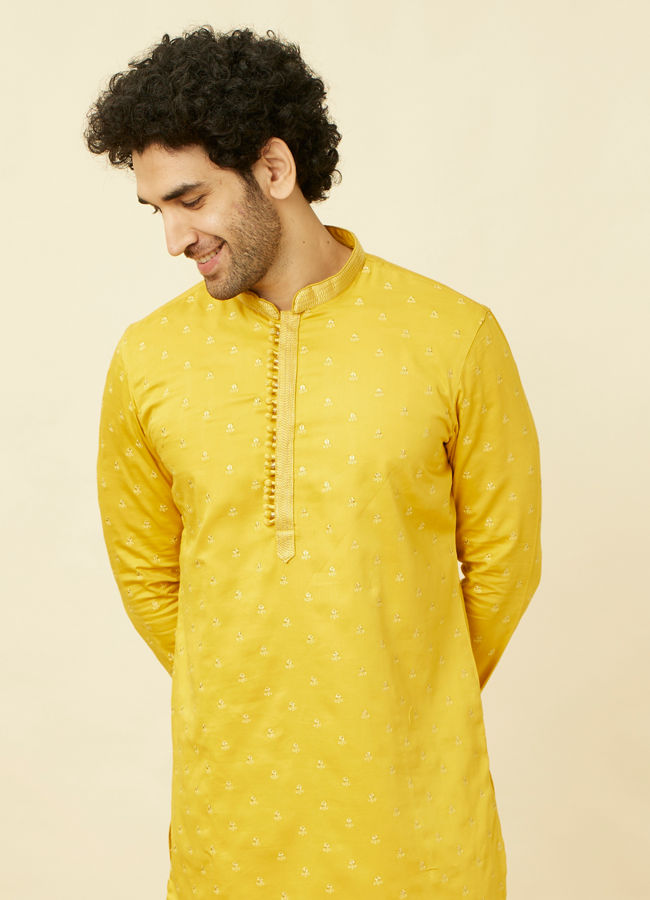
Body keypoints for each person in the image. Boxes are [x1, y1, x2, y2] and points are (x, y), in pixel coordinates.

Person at [86, 26, 541, 900]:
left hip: (417, 823)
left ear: (273, 169)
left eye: (190, 199)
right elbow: (148, 577)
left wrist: (406, 691)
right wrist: (251, 688)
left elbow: (505, 564)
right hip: (233, 824)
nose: (174, 239)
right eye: (156, 211)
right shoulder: (148, 360)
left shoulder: (453, 337)